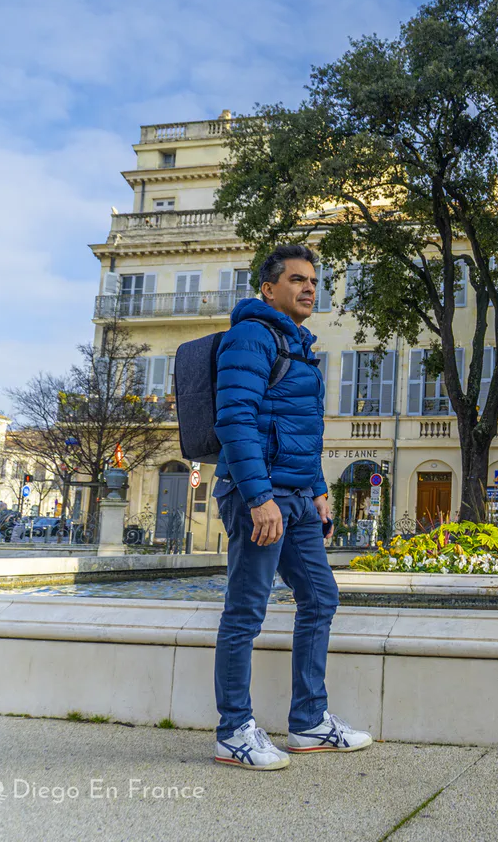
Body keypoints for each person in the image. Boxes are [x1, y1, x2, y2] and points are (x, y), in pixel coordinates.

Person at [211, 244, 372, 771]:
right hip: (262, 497)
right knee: (245, 610)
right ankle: (233, 730)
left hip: (297, 497)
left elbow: (299, 431)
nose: (309, 287)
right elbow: (235, 419)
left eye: (313, 280)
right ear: (268, 288)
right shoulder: (251, 336)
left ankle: (308, 722)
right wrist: (258, 497)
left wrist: (320, 489)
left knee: (321, 597)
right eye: (297, 279)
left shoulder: (296, 344)